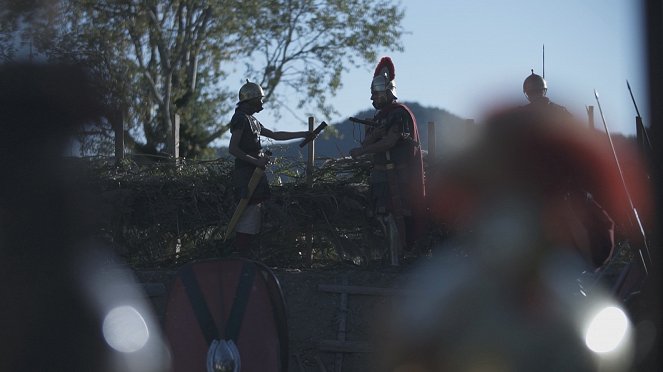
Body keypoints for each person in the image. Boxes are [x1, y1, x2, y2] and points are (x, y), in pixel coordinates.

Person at [349, 57, 426, 261]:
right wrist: (370, 134)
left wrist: (362, 151)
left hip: (397, 177)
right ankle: (389, 259)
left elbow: (390, 141)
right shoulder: (382, 116)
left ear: (387, 92)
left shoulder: (399, 114)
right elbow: (372, 141)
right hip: (381, 176)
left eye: (376, 93)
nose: (373, 97)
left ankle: (398, 259)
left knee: (396, 215)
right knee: (382, 216)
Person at [228, 80, 315, 256]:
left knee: (257, 213)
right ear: (250, 100)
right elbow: (233, 149)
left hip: (255, 174)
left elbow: (275, 135)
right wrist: (256, 162)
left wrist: (303, 134)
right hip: (246, 175)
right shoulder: (240, 119)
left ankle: (250, 254)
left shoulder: (252, 120)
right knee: (248, 214)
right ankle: (241, 255)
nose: (261, 103)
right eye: (259, 99)